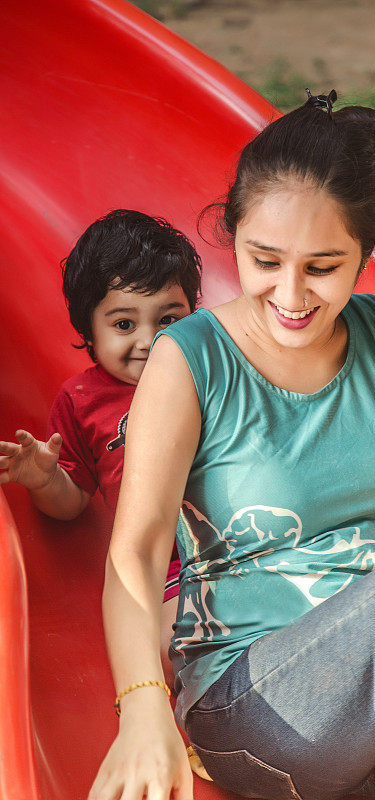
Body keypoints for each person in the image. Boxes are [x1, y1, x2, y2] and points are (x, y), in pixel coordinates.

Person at [88, 93, 375, 800]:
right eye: (264, 260)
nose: (289, 294)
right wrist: (141, 708)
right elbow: (136, 551)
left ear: (366, 253)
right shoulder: (191, 360)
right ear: (231, 234)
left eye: (322, 267)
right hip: (253, 709)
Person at [0, 209, 202, 683]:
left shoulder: (208, 368)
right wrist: (45, 479)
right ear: (90, 333)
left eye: (169, 318)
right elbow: (73, 504)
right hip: (166, 565)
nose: (151, 340)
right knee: (170, 647)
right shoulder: (82, 400)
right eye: (124, 325)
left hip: (247, 538)